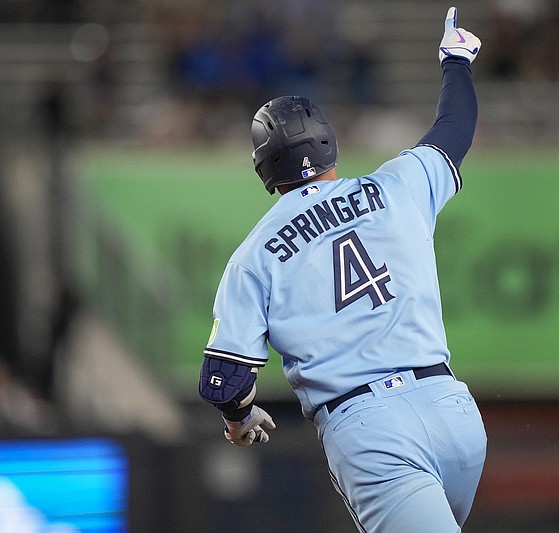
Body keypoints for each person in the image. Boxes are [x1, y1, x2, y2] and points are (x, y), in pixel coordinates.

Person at [198, 7, 486, 532]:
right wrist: (456, 59)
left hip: (368, 427)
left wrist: (239, 420)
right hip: (452, 411)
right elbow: (455, 127)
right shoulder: (397, 185)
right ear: (330, 142)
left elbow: (224, 379)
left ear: (265, 169)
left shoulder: (254, 255)